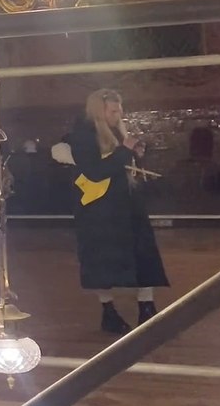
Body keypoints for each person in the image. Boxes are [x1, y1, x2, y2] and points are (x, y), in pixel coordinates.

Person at [60, 88, 169, 335]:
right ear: (99, 111)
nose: (118, 115)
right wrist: (125, 150)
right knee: (102, 263)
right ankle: (108, 312)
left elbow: (123, 166)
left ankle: (147, 306)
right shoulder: (83, 136)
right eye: (113, 111)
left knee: (144, 254)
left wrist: (135, 155)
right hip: (99, 211)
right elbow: (96, 171)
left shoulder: (118, 131)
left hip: (127, 204)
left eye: (120, 110)